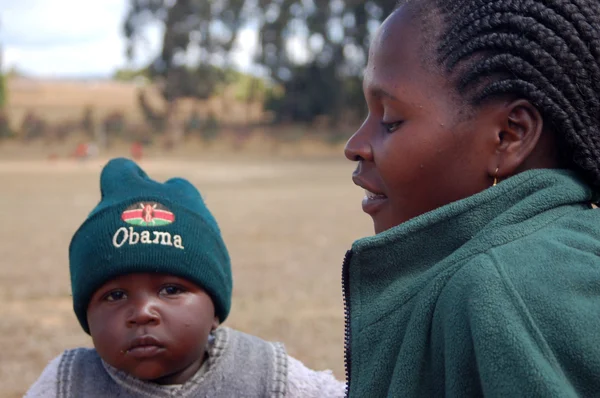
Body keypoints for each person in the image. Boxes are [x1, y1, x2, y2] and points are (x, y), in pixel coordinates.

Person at [342, 0, 600, 397]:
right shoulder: (562, 248)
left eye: (391, 120)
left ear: (508, 135)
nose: (355, 145)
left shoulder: (498, 291)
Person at [25, 157, 345, 397]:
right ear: (86, 316)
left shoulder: (266, 375)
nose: (142, 313)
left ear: (215, 310)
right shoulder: (67, 384)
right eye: (115, 295)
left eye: (170, 289)